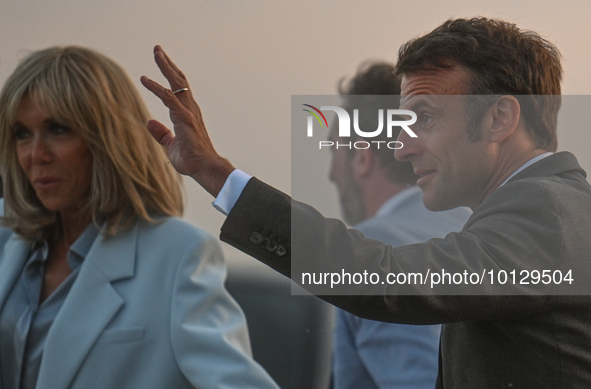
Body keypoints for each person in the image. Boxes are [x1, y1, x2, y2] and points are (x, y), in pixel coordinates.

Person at [141, 17, 591, 388]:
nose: (402, 148)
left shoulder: (545, 213)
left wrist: (217, 174)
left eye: (424, 118)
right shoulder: (556, 209)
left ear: (500, 117)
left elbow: (386, 278)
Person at [0, 46, 279, 389]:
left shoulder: (176, 255)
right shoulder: (7, 243)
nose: (35, 154)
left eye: (58, 129)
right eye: (21, 133)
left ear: (106, 138)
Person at [329, 62, 470, 389]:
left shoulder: (368, 251)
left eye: (336, 151)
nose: (331, 175)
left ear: (362, 158)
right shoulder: (471, 225)